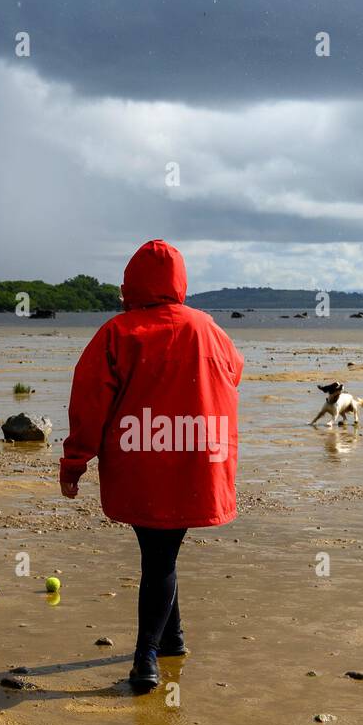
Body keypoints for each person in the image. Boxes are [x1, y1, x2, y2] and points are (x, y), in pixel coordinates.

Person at [59, 239, 243, 692]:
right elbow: (234, 371)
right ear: (180, 283)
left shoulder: (118, 333)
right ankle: (172, 639)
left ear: (131, 285)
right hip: (198, 459)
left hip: (140, 460)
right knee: (162, 552)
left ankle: (146, 660)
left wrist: (75, 461)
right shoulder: (210, 329)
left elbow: (89, 400)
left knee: (158, 557)